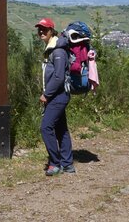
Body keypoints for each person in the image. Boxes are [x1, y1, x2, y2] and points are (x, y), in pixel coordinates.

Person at [35, 17, 75, 176]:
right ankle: (68, 165)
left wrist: (46, 94)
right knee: (61, 130)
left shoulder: (58, 51)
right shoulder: (52, 48)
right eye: (39, 29)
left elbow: (58, 77)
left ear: (52, 30)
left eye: (44, 29)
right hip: (58, 96)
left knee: (46, 128)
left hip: (58, 96)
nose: (41, 32)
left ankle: (55, 163)